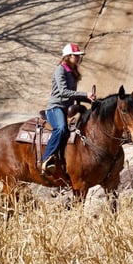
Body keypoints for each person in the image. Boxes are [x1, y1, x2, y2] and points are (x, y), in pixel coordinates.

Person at [41, 43, 97, 174]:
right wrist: (85, 94)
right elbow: (63, 92)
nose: (78, 58)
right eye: (75, 56)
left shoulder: (72, 71)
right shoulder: (60, 69)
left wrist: (89, 99)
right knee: (61, 128)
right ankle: (47, 159)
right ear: (67, 56)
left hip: (67, 108)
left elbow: (72, 95)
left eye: (79, 56)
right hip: (56, 107)